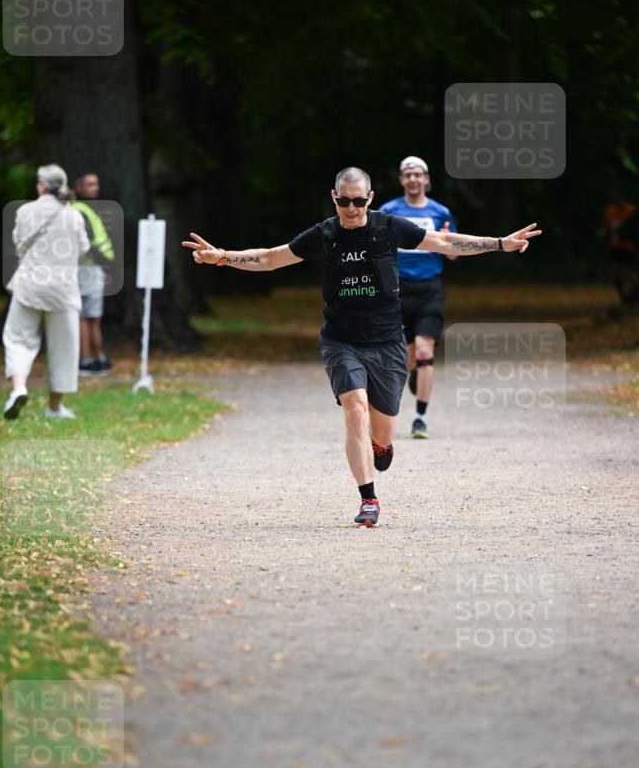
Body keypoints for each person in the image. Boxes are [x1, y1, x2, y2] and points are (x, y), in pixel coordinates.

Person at [182, 167, 541, 527]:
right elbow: (273, 257)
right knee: (355, 410)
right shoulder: (324, 234)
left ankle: (382, 447)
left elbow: (444, 243)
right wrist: (224, 256)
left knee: (381, 430)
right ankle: (368, 498)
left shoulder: (389, 227)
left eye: (357, 201)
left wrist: (498, 242)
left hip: (387, 341)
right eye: (343, 201)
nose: (350, 208)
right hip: (341, 339)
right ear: (333, 198)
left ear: (369, 198)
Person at [2, 164, 90, 421]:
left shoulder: (25, 210)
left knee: (18, 339)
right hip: (63, 289)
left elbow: (19, 243)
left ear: (41, 185)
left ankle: (19, 388)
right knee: (64, 348)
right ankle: (54, 408)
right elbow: (83, 250)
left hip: (29, 285)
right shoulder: (72, 214)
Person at [379, 156, 457, 439]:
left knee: (425, 352)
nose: (413, 179)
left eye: (418, 174)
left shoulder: (441, 212)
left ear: (427, 180)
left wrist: (448, 241)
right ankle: (413, 373)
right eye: (408, 175)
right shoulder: (388, 211)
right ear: (402, 180)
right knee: (406, 359)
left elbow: (452, 253)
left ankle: (420, 418)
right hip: (397, 292)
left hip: (429, 291)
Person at [72, 172, 115, 375]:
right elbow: (87, 242)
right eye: (89, 184)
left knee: (89, 317)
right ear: (78, 187)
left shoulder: (85, 208)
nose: (94, 188)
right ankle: (91, 359)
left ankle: (92, 360)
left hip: (91, 269)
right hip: (88, 267)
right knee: (87, 317)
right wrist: (105, 262)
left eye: (96, 184)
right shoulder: (79, 209)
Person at [601, 189, 639, 310]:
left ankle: (635, 287)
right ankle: (624, 298)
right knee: (617, 272)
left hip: (627, 246)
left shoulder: (631, 210)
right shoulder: (610, 211)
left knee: (622, 268)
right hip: (615, 245)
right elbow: (607, 227)